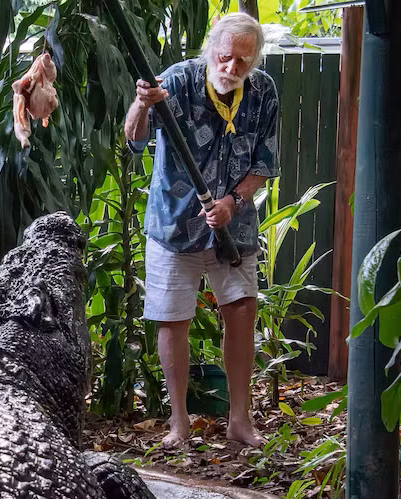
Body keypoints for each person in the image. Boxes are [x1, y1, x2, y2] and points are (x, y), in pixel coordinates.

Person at [123, 13, 280, 447]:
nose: (231, 68)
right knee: (173, 320)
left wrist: (234, 201)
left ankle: (240, 421)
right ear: (210, 49)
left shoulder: (264, 91)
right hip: (175, 225)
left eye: (242, 62)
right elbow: (133, 140)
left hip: (234, 228)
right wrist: (142, 103)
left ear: (255, 61)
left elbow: (264, 165)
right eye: (225, 57)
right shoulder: (176, 81)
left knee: (242, 311)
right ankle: (179, 423)